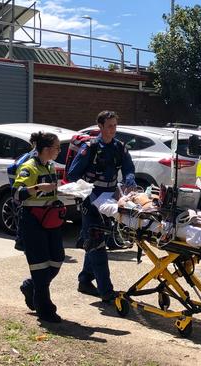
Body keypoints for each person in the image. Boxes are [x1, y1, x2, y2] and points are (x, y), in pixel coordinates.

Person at [67, 110, 136, 303]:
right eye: (110, 126)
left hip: (110, 198)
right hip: (92, 199)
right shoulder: (89, 148)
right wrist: (89, 188)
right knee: (96, 243)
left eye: (115, 125)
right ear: (100, 127)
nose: (113, 130)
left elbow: (128, 167)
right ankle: (106, 291)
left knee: (96, 240)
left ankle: (84, 280)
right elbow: (73, 174)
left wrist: (129, 176)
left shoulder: (119, 147)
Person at [13, 132, 65, 323]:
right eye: (57, 147)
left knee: (57, 258)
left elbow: (52, 190)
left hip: (51, 219)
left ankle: (30, 286)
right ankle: (45, 310)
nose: (59, 151)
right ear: (46, 149)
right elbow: (17, 194)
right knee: (40, 266)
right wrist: (37, 189)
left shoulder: (50, 166)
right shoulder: (29, 167)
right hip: (33, 221)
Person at [7, 133, 39, 251]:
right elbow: (16, 168)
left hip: (28, 189)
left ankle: (22, 240)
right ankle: (20, 241)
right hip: (25, 189)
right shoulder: (31, 155)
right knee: (23, 215)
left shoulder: (31, 154)